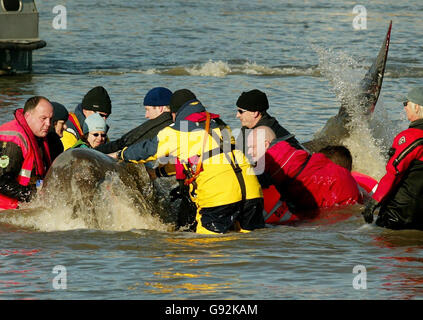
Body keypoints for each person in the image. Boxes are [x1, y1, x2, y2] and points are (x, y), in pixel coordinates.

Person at [112, 89, 265, 234]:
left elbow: (148, 150)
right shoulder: (219, 124)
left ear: (175, 112)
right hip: (252, 192)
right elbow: (201, 159)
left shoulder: (177, 130)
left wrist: (120, 154)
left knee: (206, 250)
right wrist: (157, 172)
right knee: (250, 248)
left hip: (220, 197)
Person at [247, 126, 360, 218]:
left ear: (266, 144)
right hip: (346, 186)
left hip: (339, 199)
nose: (249, 152)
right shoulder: (291, 153)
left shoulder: (272, 163)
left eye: (252, 147)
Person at [361, 87, 423, 230]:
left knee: (380, 247)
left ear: (417, 107)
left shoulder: (409, 137)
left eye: (406, 104)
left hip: (398, 214)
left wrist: (373, 203)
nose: (404, 108)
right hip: (420, 217)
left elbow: (393, 173)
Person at [0, 96, 53, 210]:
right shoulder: (13, 139)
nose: (48, 124)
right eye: (43, 118)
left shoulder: (39, 136)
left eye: (50, 119)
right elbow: (2, 182)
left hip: (21, 203)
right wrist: (34, 196)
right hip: (5, 210)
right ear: (28, 116)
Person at [95, 87, 173, 154]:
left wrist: (93, 152)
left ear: (160, 108)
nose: (146, 115)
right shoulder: (178, 123)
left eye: (147, 110)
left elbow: (126, 144)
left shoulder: (159, 127)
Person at [235, 89, 303, 152]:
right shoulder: (248, 127)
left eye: (241, 111)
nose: (237, 115)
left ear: (255, 113)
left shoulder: (267, 135)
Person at [61, 86, 112, 150]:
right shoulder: (67, 130)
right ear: (86, 111)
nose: (104, 120)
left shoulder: (100, 131)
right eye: (101, 115)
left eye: (107, 116)